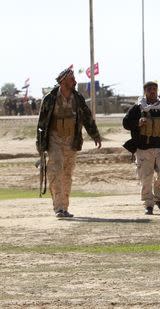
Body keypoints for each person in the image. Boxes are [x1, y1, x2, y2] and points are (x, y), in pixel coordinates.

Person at [36, 67, 101, 218]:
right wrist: (40, 146)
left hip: (72, 140)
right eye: (71, 79)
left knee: (67, 174)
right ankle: (58, 207)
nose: (75, 81)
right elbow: (41, 124)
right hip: (54, 139)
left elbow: (87, 117)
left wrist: (95, 134)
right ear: (63, 81)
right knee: (56, 169)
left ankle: (64, 207)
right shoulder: (50, 98)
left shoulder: (77, 98)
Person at [123, 81, 160, 215]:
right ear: (145, 91)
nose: (152, 91)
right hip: (143, 148)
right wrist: (138, 122)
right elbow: (126, 123)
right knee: (146, 178)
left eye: (154, 89)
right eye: (149, 89)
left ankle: (159, 198)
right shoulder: (138, 108)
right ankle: (149, 204)